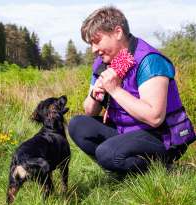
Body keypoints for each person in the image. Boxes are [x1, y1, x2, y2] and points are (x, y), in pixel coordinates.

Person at [68, 6, 196, 181]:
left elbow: (155, 117)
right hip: (124, 131)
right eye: (91, 43)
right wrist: (95, 94)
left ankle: (168, 169)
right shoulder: (103, 61)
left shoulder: (149, 60)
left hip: (161, 137)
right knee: (77, 124)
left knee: (106, 153)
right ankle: (119, 169)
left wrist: (115, 90)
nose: (93, 49)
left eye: (97, 41)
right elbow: (90, 112)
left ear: (118, 32)